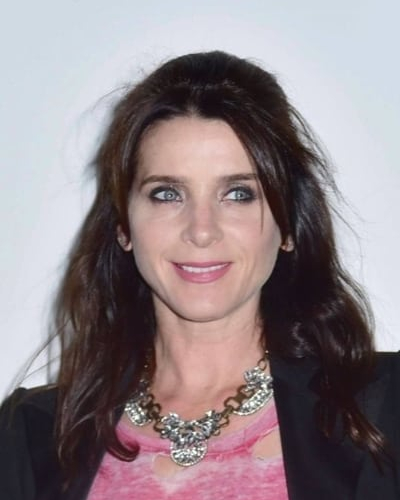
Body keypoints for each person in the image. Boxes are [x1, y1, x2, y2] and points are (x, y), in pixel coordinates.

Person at [0, 51, 399, 500]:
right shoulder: (32, 437)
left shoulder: (382, 411)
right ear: (124, 226)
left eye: (238, 194)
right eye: (167, 194)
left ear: (288, 224)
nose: (202, 230)